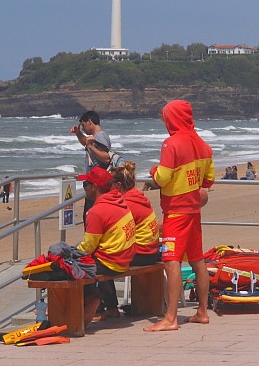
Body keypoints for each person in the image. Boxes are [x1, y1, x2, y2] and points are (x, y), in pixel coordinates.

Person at [144, 100, 215, 332]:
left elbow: (162, 178)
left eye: (165, 117)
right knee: (197, 260)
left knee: (171, 261)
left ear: (171, 118)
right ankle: (202, 311)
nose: (164, 121)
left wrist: (153, 171)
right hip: (194, 212)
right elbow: (208, 180)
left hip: (175, 212)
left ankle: (170, 318)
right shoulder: (203, 145)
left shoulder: (171, 144)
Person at [76, 166, 136, 325]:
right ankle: (102, 305)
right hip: (125, 260)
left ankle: (89, 308)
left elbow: (88, 246)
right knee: (86, 262)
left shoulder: (97, 211)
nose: (85, 189)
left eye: (85, 185)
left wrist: (71, 255)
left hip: (111, 262)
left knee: (70, 269)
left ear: (94, 187)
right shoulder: (120, 202)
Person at [113, 161, 161, 266]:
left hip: (141, 254)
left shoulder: (126, 203)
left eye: (109, 183)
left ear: (118, 185)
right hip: (152, 251)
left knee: (101, 259)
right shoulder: (138, 197)